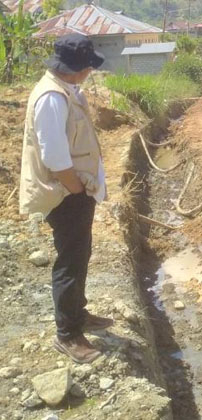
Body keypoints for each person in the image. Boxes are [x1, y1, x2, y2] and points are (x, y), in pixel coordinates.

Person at [19, 33, 114, 364]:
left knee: (80, 254)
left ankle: (79, 313)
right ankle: (68, 335)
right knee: (70, 262)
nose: (90, 71)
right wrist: (77, 190)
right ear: (78, 68)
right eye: (89, 66)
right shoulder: (52, 99)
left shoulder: (66, 92)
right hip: (66, 194)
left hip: (75, 191)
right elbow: (56, 158)